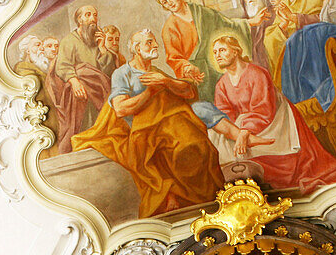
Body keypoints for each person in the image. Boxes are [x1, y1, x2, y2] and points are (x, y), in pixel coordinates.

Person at [73, 30, 226, 218]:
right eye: (149, 43)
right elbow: (120, 109)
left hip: (168, 123)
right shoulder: (122, 73)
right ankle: (176, 195)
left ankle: (204, 200)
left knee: (201, 147)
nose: (155, 46)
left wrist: (166, 81)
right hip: (142, 130)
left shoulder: (155, 72)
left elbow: (187, 92)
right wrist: (149, 93)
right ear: (137, 48)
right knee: (177, 149)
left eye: (154, 42)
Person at [209, 35, 336, 191]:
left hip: (275, 121)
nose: (218, 55)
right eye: (215, 52)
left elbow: (263, 109)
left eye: (222, 50)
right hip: (246, 127)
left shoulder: (257, 74)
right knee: (215, 134)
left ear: (235, 51)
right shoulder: (221, 84)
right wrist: (237, 133)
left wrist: (243, 133)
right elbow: (225, 115)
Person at [156, 0, 261, 103]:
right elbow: (173, 57)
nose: (169, 3)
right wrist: (187, 67)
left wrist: (250, 22)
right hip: (198, 74)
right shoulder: (169, 28)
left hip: (216, 65)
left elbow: (225, 23)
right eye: (165, 2)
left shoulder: (200, 12)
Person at [51, 6, 116, 152]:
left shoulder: (97, 41)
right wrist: (74, 81)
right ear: (80, 20)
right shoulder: (69, 41)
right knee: (82, 89)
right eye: (88, 15)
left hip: (98, 86)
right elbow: (62, 66)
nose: (93, 18)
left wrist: (103, 48)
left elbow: (107, 72)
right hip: (77, 87)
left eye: (95, 15)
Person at [14, 35, 60, 151]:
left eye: (42, 45)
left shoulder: (42, 68)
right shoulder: (22, 68)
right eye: (37, 45)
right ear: (28, 50)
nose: (42, 49)